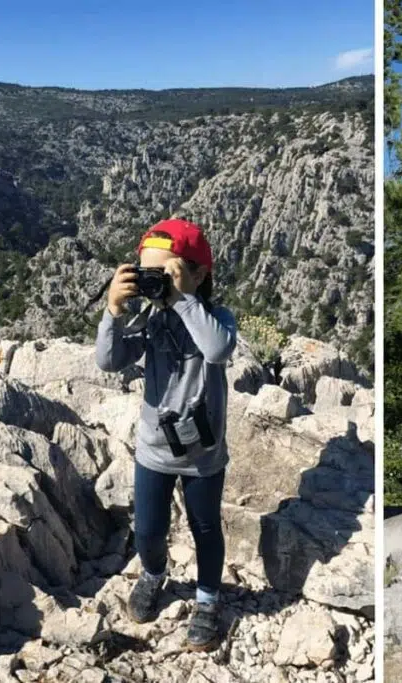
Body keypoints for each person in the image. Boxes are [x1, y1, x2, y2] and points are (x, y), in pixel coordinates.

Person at [94, 218, 237, 652]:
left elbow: (216, 350)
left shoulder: (215, 317)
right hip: (154, 450)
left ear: (199, 274)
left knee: (206, 527)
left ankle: (208, 600)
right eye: (147, 273)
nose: (155, 284)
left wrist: (183, 300)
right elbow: (108, 361)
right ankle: (154, 573)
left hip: (203, 455)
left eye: (166, 272)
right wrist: (113, 311)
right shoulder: (149, 320)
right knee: (149, 530)